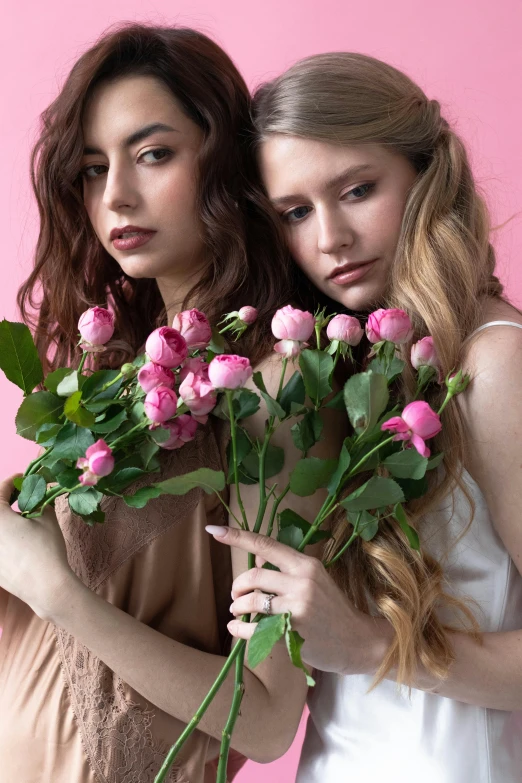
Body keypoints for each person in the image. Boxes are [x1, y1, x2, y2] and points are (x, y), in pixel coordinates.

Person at [0, 25, 339, 783]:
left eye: (153, 154)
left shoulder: (275, 392)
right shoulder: (113, 366)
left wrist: (56, 592)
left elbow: (268, 712)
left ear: (221, 160)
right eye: (91, 168)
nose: (115, 194)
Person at [209, 52, 522, 782]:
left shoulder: (495, 366)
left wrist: (365, 645)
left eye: (356, 189)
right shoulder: (358, 372)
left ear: (424, 173)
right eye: (294, 211)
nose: (329, 239)